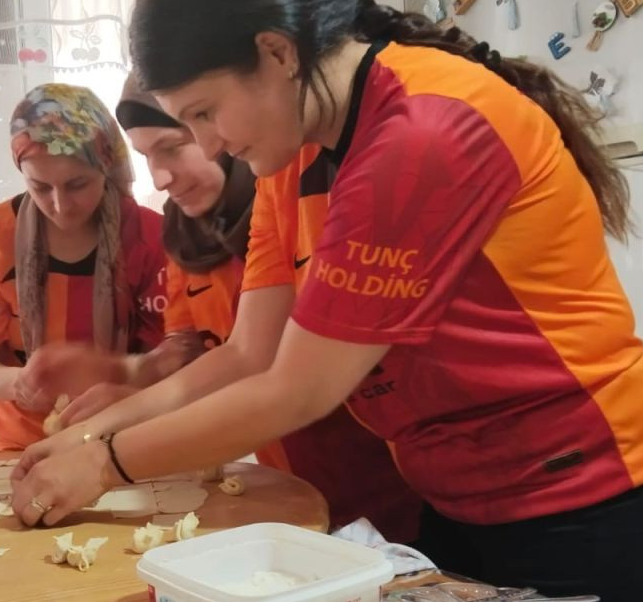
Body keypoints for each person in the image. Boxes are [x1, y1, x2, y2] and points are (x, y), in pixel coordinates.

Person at [12, 0, 643, 602]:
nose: (209, 144)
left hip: (581, 498)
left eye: (204, 113)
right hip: (457, 495)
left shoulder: (421, 130)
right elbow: (248, 355)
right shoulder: (293, 157)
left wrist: (103, 465)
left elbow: (298, 390)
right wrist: (90, 433)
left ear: (277, 52)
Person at [37, 74, 422, 538]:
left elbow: (281, 376)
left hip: (384, 479)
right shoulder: (185, 238)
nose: (160, 178)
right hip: (284, 477)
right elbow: (203, 353)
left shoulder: (308, 198)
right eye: (145, 158)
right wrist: (117, 395)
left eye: (173, 148)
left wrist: (104, 454)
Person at [0, 83, 169, 452]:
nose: (60, 204)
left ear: (106, 167)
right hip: (18, 445)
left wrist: (117, 381)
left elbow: (171, 362)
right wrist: (24, 382)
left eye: (77, 184)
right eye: (40, 186)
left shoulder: (150, 236)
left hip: (127, 439)